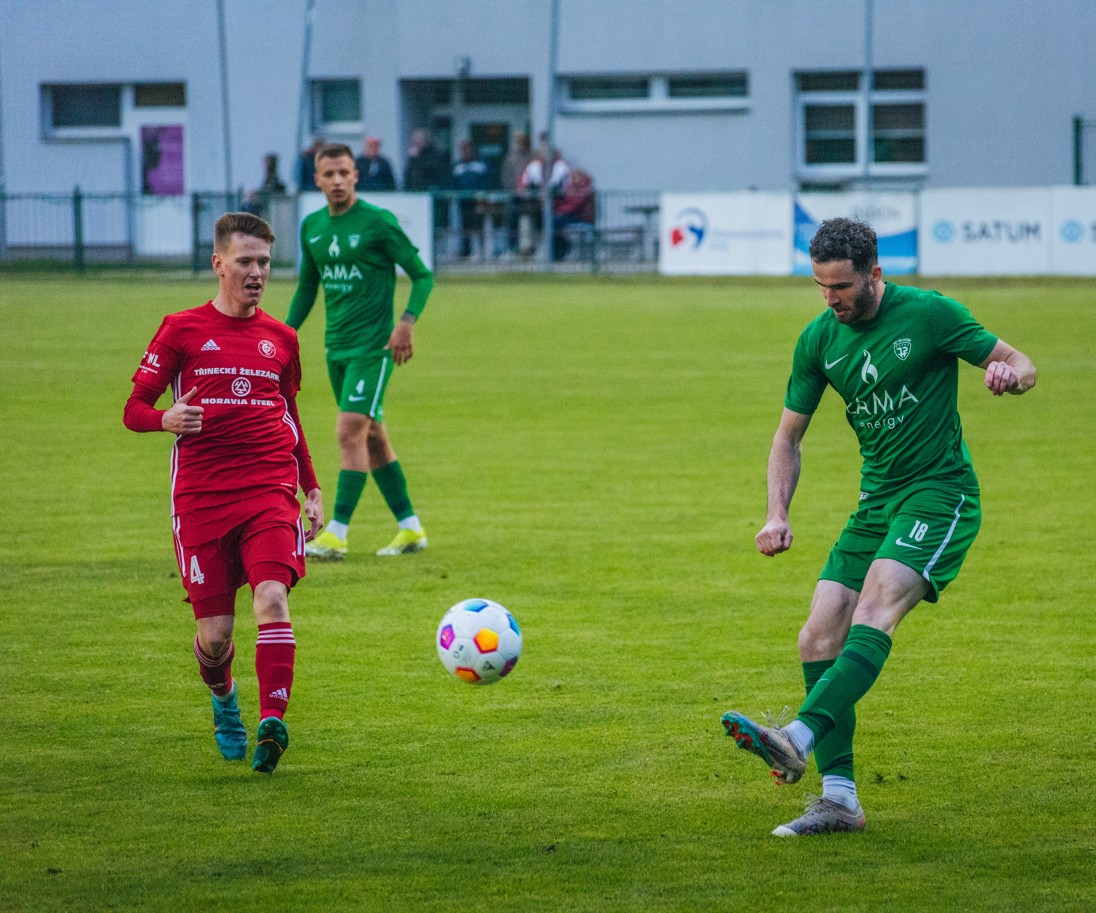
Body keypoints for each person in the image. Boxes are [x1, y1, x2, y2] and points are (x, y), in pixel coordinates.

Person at [720, 217, 1036, 837]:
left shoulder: (931, 314)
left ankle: (798, 736)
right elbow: (787, 438)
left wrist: (1008, 376)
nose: (831, 299)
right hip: (876, 501)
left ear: (875, 275)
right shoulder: (818, 340)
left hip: (939, 494)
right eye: (820, 287)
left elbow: (1021, 362)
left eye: (842, 287)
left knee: (874, 611)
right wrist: (776, 513)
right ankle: (839, 801)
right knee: (816, 637)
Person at [123, 211, 324, 775]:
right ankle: (224, 698)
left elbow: (291, 415)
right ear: (219, 265)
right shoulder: (181, 329)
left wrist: (309, 487)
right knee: (214, 637)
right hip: (202, 496)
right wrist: (164, 419)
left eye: (264, 262)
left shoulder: (282, 339)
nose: (256, 272)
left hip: (268, 488)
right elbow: (133, 410)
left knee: (272, 598)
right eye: (245, 262)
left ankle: (272, 721)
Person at [287, 143, 435, 560]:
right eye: (328, 174)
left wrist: (405, 323)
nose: (336, 181)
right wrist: (281, 334)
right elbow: (307, 288)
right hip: (335, 349)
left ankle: (336, 532)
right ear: (316, 179)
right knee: (371, 437)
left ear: (356, 176)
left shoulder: (378, 222)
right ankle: (410, 529)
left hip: (374, 348)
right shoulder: (312, 226)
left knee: (348, 429)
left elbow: (422, 276)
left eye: (344, 173)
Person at [451, 139, 490, 257]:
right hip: (463, 201)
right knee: (465, 226)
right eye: (463, 149)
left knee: (478, 225)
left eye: (467, 149)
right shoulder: (457, 166)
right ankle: (466, 250)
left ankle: (481, 250)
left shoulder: (480, 165)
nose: (465, 152)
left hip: (477, 200)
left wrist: (482, 195)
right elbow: (452, 183)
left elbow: (486, 182)